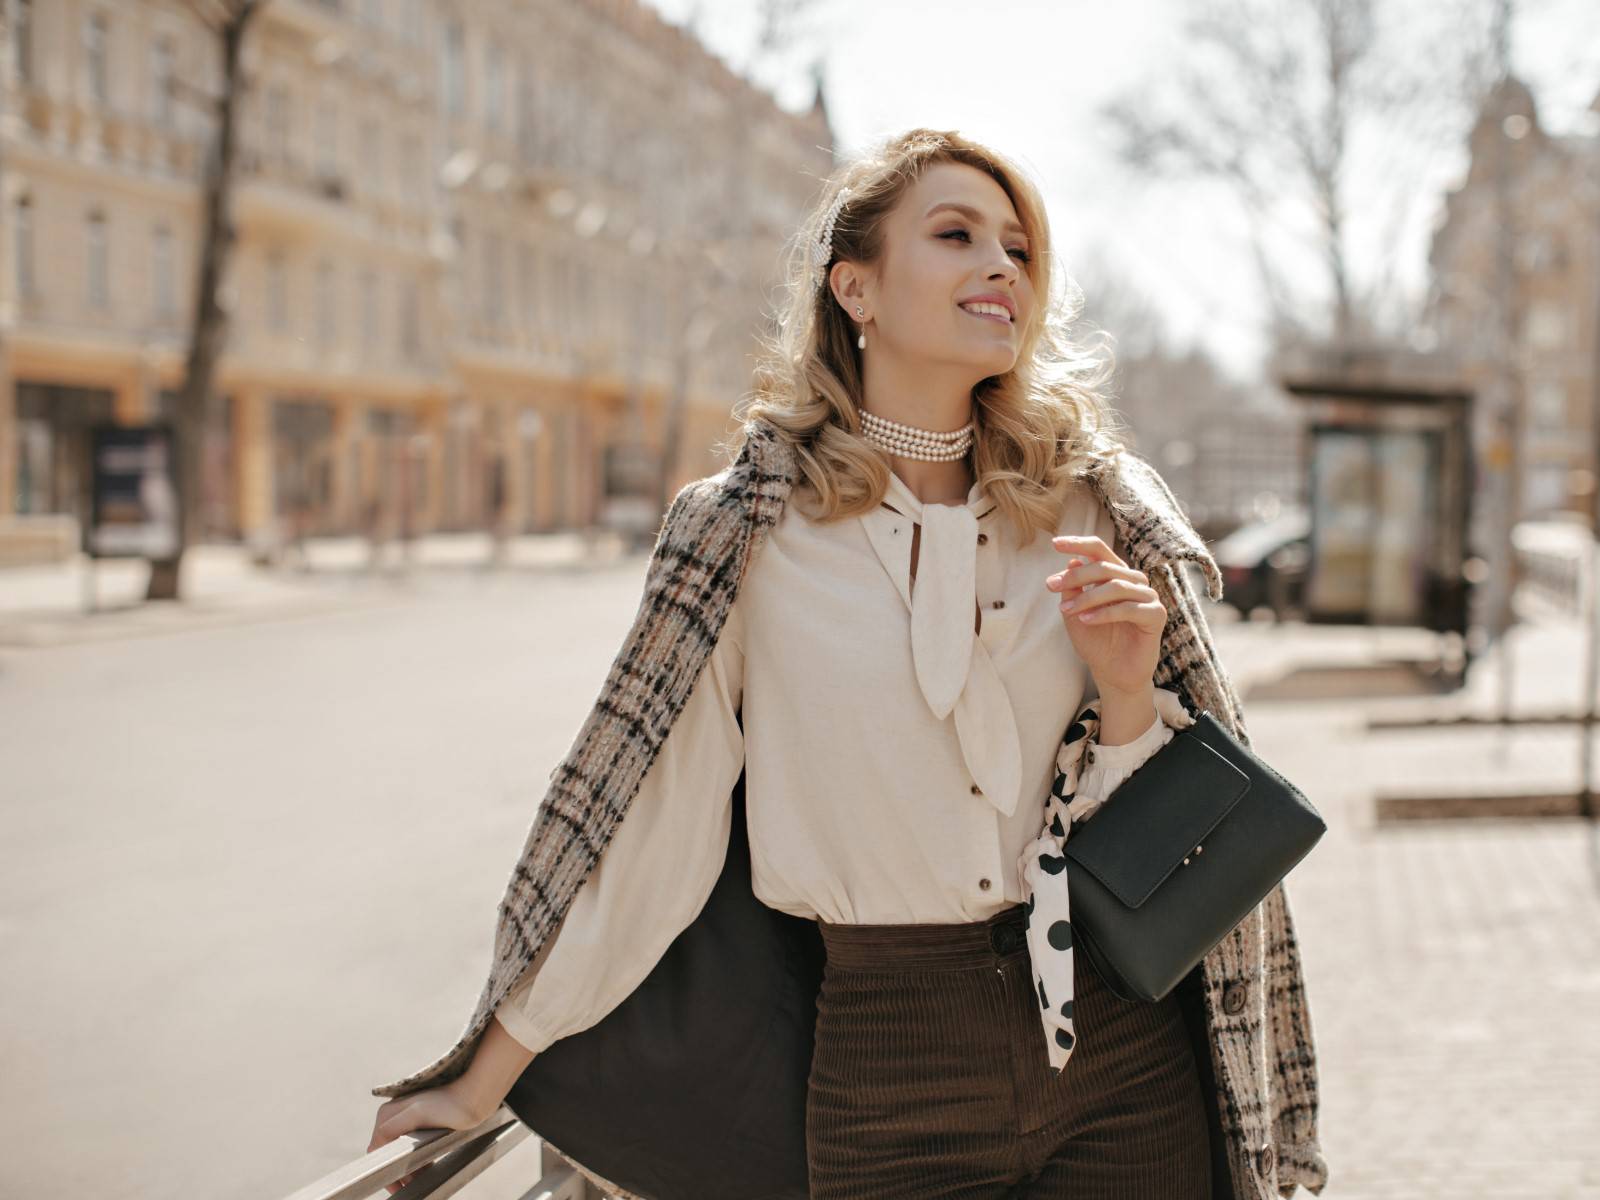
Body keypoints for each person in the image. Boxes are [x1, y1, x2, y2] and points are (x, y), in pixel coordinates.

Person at [367, 128, 1328, 1200]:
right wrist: (486, 1069)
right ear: (855, 288)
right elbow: (650, 817)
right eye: (957, 234)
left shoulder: (1091, 506)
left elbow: (1160, 822)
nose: (1001, 266)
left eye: (1018, 247)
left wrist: (1126, 690)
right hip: (889, 1069)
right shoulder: (744, 534)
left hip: (1118, 1045)